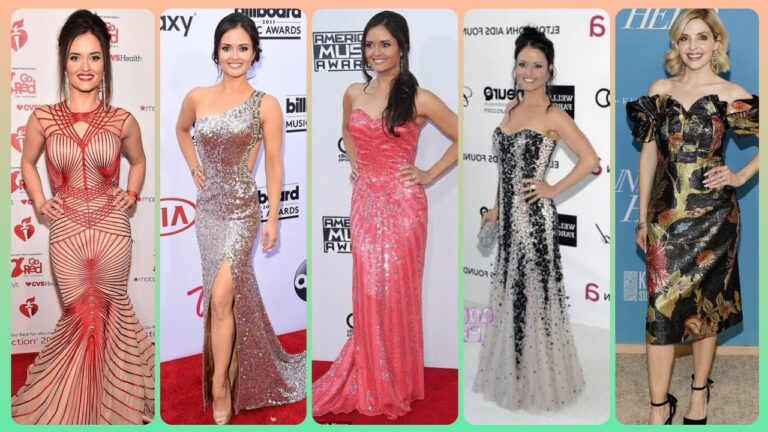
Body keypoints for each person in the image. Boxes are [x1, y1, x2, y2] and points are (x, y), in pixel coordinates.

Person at [311, 10, 458, 419]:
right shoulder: (353, 92)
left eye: (385, 44)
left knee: (395, 293)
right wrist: (356, 162)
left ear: (402, 48)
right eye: (370, 44)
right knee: (370, 292)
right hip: (364, 202)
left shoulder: (420, 97)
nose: (376, 52)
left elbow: (463, 137)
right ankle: (375, 374)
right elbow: (347, 130)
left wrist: (428, 173)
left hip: (404, 206)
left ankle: (398, 382)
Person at [11, 9, 154, 424]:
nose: (85, 67)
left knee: (109, 313)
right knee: (79, 316)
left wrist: (130, 192)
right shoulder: (42, 118)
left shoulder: (122, 119)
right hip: (67, 230)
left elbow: (139, 162)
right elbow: (27, 162)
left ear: (106, 61)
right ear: (62, 61)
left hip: (112, 229)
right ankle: (75, 403)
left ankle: (114, 401)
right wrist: (40, 201)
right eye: (76, 57)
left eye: (94, 57)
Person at [626, 9, 758, 425]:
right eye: (686, 38)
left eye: (702, 37)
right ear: (676, 44)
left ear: (717, 42)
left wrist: (739, 174)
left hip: (715, 218)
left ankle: (699, 391)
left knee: (708, 308)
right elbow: (650, 154)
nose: (694, 46)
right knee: (659, 311)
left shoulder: (729, 92)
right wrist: (643, 216)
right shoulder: (660, 90)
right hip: (665, 217)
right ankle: (657, 404)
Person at [175, 12, 305, 425]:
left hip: (241, 210)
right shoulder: (197, 96)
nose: (235, 55)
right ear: (216, 51)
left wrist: (272, 220)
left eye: (243, 48)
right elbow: (181, 130)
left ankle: (219, 387)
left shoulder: (265, 104)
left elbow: (274, 166)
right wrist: (195, 166)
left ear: (255, 54)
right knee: (221, 302)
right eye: (227, 47)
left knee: (219, 298)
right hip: (208, 211)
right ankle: (223, 378)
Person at [473, 26, 598, 411]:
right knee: (512, 295)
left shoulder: (553, 114)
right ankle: (516, 371)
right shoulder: (510, 108)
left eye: (537, 66)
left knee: (532, 296)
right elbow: (504, 170)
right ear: (514, 67)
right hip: (509, 222)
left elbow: (591, 160)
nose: (528, 72)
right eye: (522, 64)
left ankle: (536, 379)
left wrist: (550, 189)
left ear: (550, 70)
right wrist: (496, 208)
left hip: (534, 223)